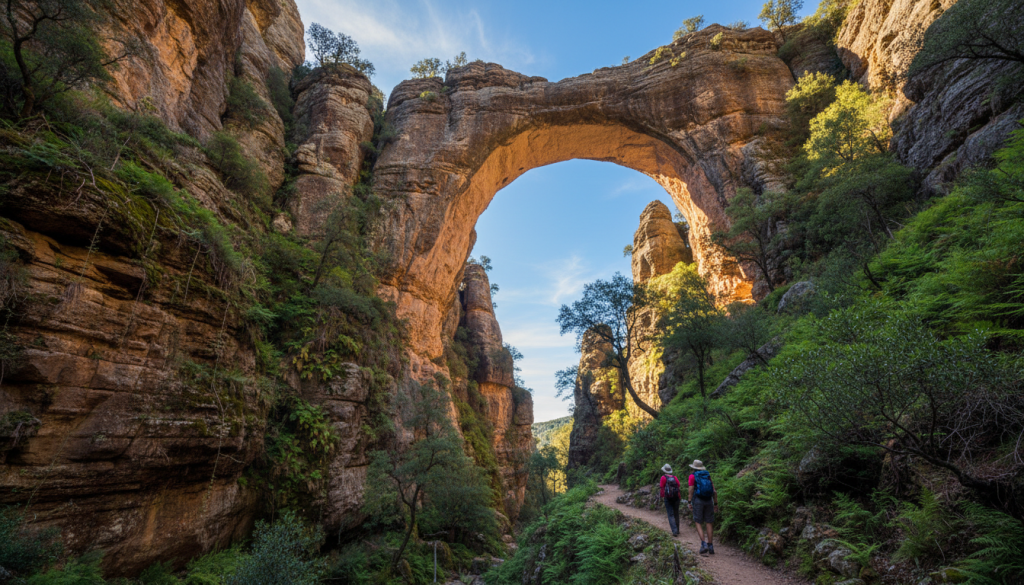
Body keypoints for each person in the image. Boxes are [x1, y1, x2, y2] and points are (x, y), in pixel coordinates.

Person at [686, 459, 718, 555]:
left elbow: (691, 490)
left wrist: (689, 501)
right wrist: (715, 504)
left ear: (693, 467)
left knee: (698, 521)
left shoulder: (692, 476)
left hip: (698, 500)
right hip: (709, 500)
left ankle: (703, 544)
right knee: (709, 522)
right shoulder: (707, 475)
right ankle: (710, 545)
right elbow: (714, 491)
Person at [659, 463, 682, 537]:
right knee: (676, 513)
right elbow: (678, 485)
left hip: (668, 498)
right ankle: (677, 529)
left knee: (670, 514)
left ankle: (674, 531)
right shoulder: (675, 477)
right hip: (676, 497)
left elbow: (662, 487)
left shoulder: (663, 477)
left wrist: (663, 496)